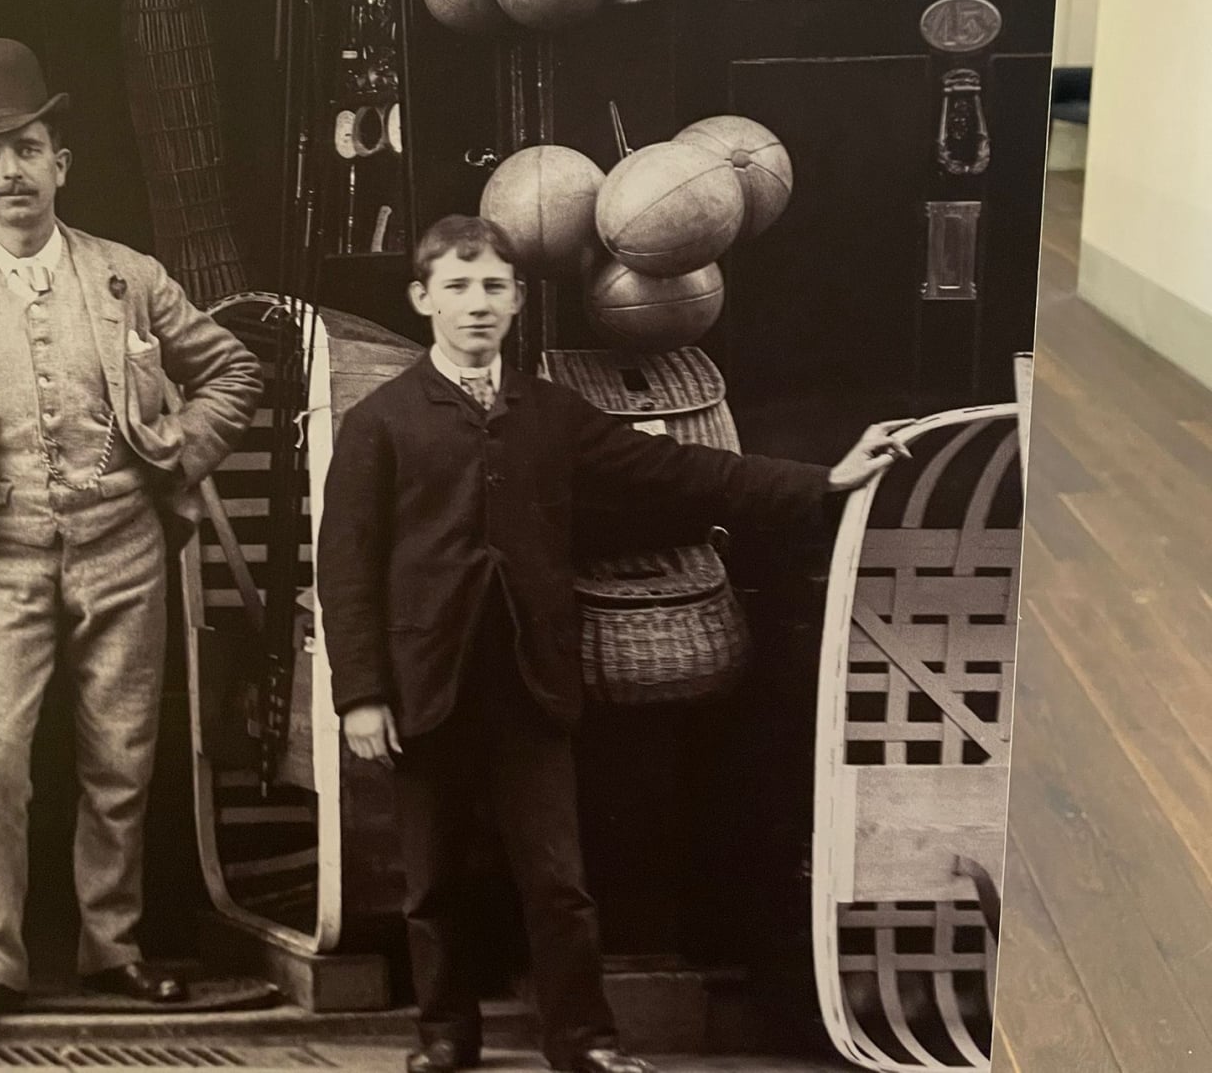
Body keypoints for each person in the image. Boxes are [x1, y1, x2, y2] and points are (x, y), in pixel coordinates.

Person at [316, 213, 909, 1073]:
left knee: (557, 879)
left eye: (493, 287)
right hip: (424, 687)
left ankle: (584, 1039)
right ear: (422, 298)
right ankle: (445, 1033)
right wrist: (362, 694)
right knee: (433, 880)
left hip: (532, 687)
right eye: (457, 286)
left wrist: (825, 480)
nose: (476, 303)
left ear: (517, 300)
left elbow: (682, 471)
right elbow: (346, 565)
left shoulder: (551, 412)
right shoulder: (380, 420)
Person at [0, 38, 263, 1039]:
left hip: (123, 546)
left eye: (28, 148)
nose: (13, 171)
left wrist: (178, 451)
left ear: (60, 162)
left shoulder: (127, 276)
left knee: (120, 759)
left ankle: (112, 948)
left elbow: (233, 370)